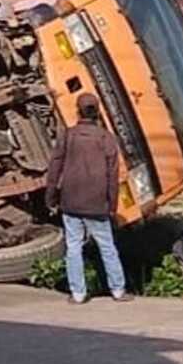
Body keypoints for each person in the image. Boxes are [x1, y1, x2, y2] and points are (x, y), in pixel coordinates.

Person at [45, 93, 132, 305]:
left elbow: (55, 166)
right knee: (107, 246)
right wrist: (111, 205)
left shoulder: (68, 135)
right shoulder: (107, 138)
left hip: (71, 201)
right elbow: (113, 175)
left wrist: (51, 196)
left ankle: (78, 293)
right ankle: (118, 290)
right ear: (98, 111)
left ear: (77, 110)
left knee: (73, 246)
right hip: (97, 204)